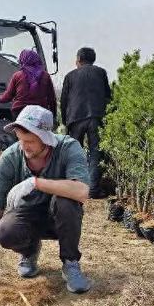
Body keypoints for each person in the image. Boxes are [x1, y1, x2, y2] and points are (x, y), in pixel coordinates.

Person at [0, 105, 91, 294]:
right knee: (5, 231)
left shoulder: (68, 148)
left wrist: (36, 183)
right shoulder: (10, 158)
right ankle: (29, 251)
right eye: (20, 139)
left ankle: (70, 263)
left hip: (60, 218)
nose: (23, 146)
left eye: (29, 141)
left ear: (45, 138)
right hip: (27, 215)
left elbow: (82, 192)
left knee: (67, 201)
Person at [60, 47, 111, 199]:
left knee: (75, 152)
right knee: (96, 152)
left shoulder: (70, 76)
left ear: (78, 60)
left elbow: (64, 100)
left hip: (75, 118)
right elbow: (108, 95)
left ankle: (74, 187)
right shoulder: (101, 73)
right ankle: (93, 190)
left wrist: (65, 120)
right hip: (96, 116)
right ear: (93, 59)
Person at [0, 49, 57, 120]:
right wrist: (53, 115)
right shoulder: (45, 76)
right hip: (39, 113)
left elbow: (8, 96)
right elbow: (51, 99)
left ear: (23, 60)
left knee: (18, 130)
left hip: (20, 112)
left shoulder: (17, 76)